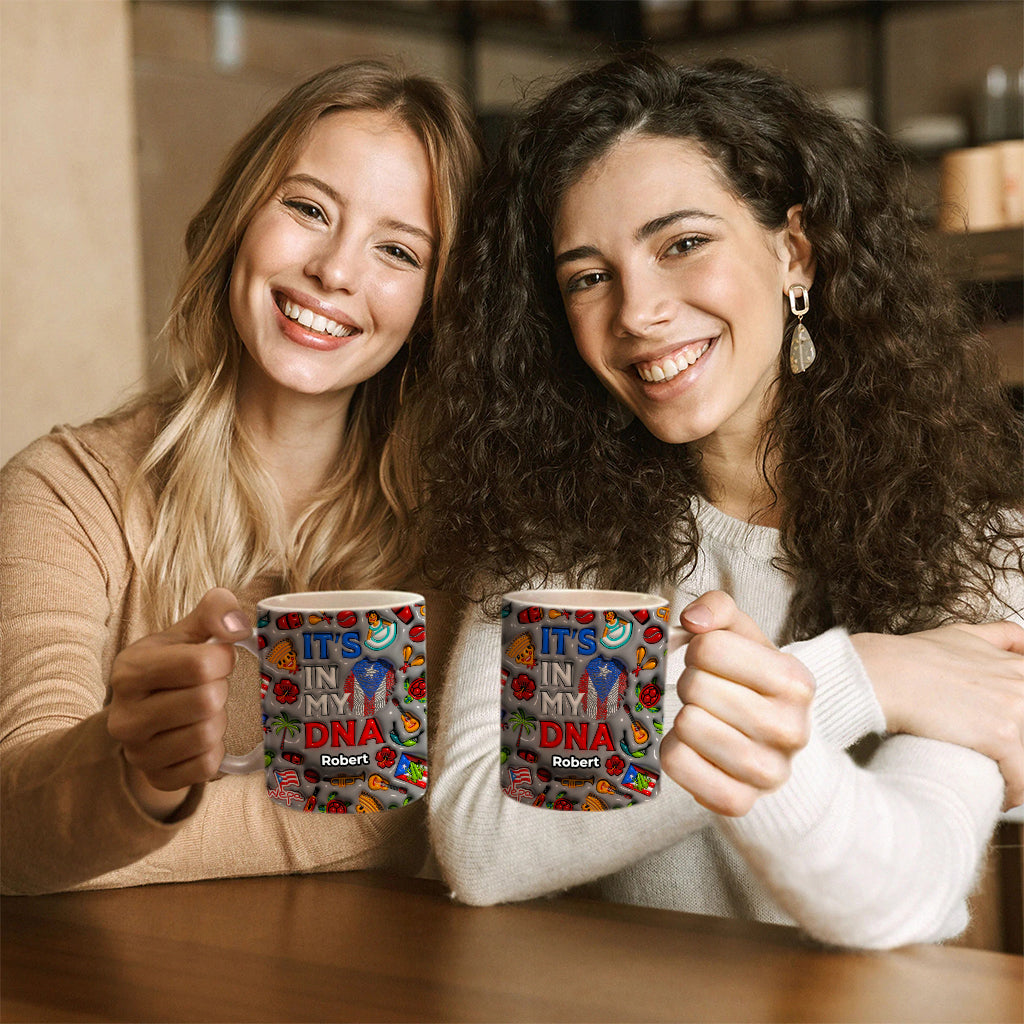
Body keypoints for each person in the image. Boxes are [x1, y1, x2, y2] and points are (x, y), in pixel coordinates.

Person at [415, 53, 1024, 949]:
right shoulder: (552, 540)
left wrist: (761, 699)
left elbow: (900, 892)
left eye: (682, 244)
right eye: (588, 276)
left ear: (794, 252)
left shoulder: (977, 545)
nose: (637, 311)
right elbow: (480, 844)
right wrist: (857, 676)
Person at [0, 60, 481, 895]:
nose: (336, 270)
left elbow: (421, 809)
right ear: (238, 220)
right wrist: (137, 777)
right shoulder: (65, 492)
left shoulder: (458, 531)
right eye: (307, 208)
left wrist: (120, 834)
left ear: (434, 303)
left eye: (397, 250)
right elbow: (16, 824)